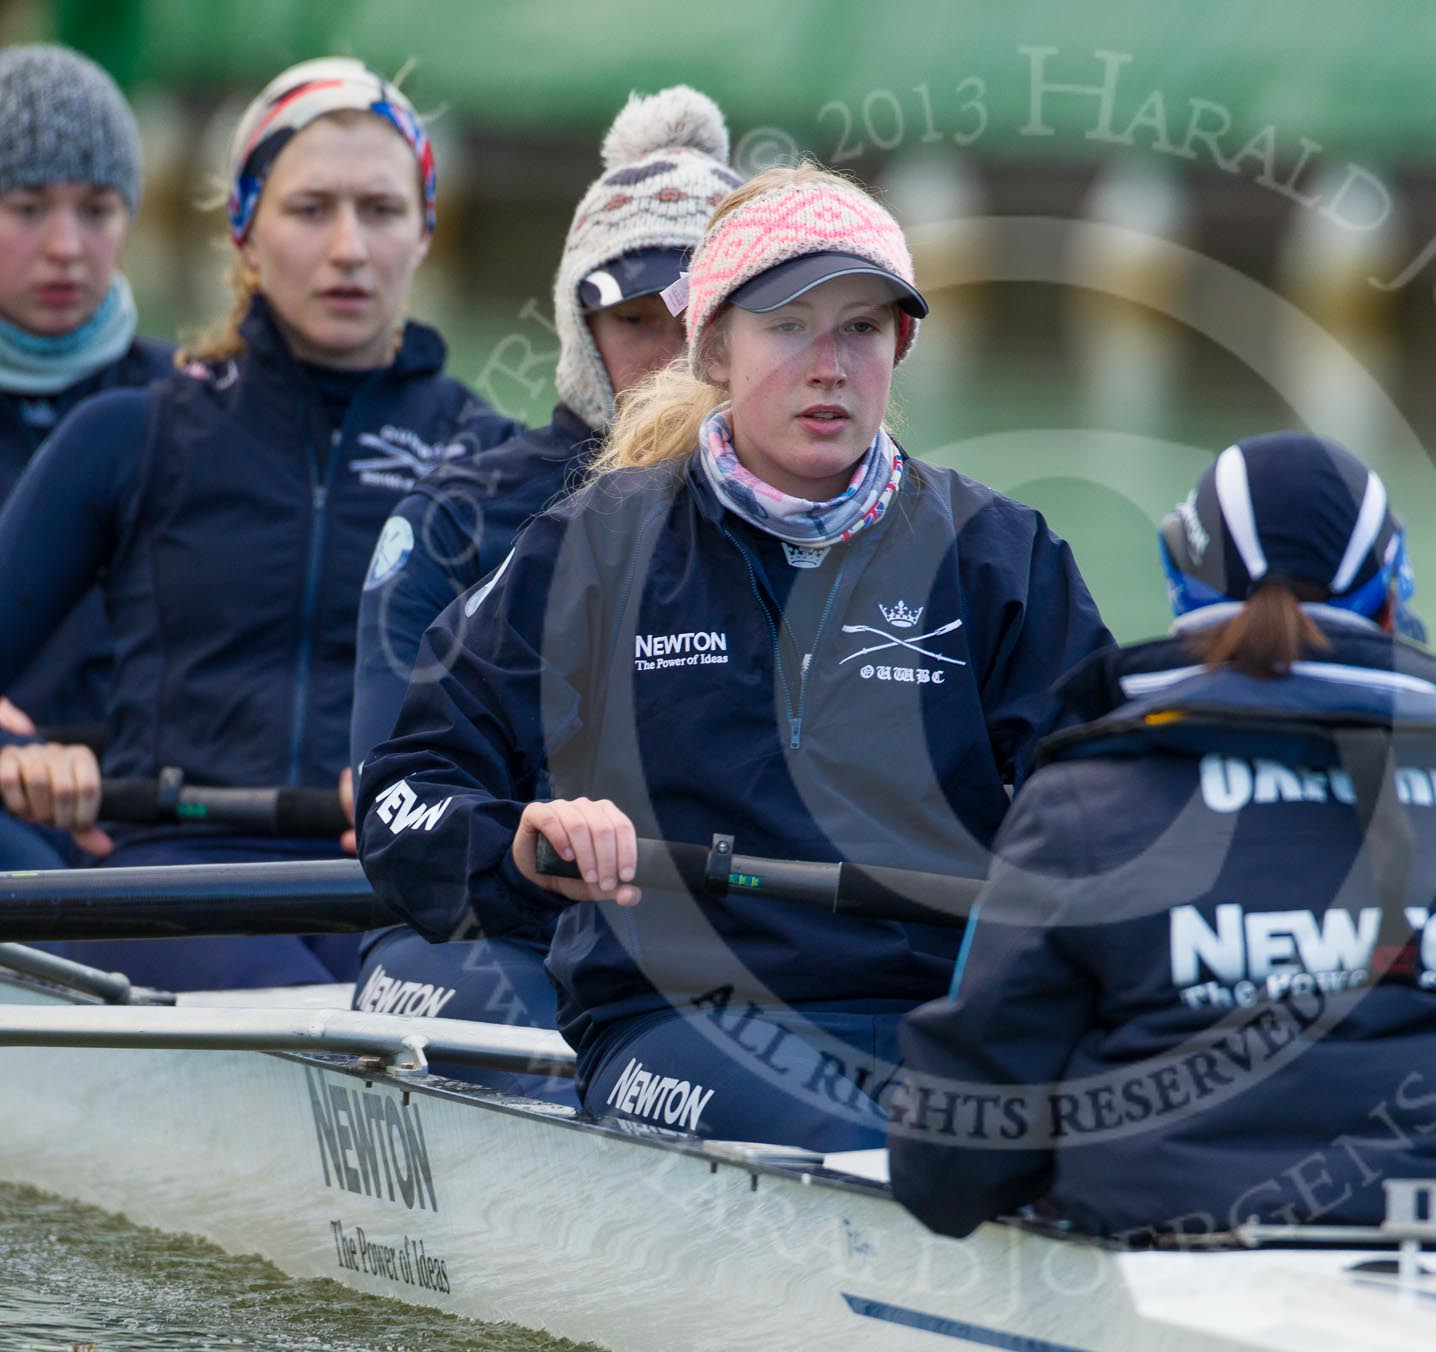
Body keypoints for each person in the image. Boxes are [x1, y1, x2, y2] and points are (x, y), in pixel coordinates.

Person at [359, 163, 1113, 1147]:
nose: (830, 364)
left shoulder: (1002, 559)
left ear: (905, 342)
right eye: (789, 324)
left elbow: (1113, 803)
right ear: (712, 345)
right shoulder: (596, 548)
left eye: (862, 327)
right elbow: (403, 791)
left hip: (945, 1027)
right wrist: (520, 846)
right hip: (682, 1023)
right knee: (889, 1139)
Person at [888, 432, 1436, 1239]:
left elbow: (949, 1166)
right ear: (1392, 600)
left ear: (1186, 592)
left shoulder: (1084, 817)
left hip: (1167, 1273)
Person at [0, 57, 517, 990]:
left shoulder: (493, 462)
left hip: (394, 887)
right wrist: (26, 757)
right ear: (243, 226)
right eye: (311, 209)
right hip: (173, 882)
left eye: (382, 210)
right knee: (329, 1006)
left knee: (468, 997)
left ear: (426, 230)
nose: (349, 248)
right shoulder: (130, 435)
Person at [348, 85, 738, 1099]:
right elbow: (386, 796)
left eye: (707, 319)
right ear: (580, 325)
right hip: (482, 935)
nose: (678, 357)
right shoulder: (461, 519)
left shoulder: (817, 517)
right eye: (638, 319)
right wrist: (525, 851)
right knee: (538, 1022)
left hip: (705, 949)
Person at [0, 44, 175, 870]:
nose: (66, 247)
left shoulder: (197, 398)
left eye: (98, 209)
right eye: (28, 207)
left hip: (155, 806)